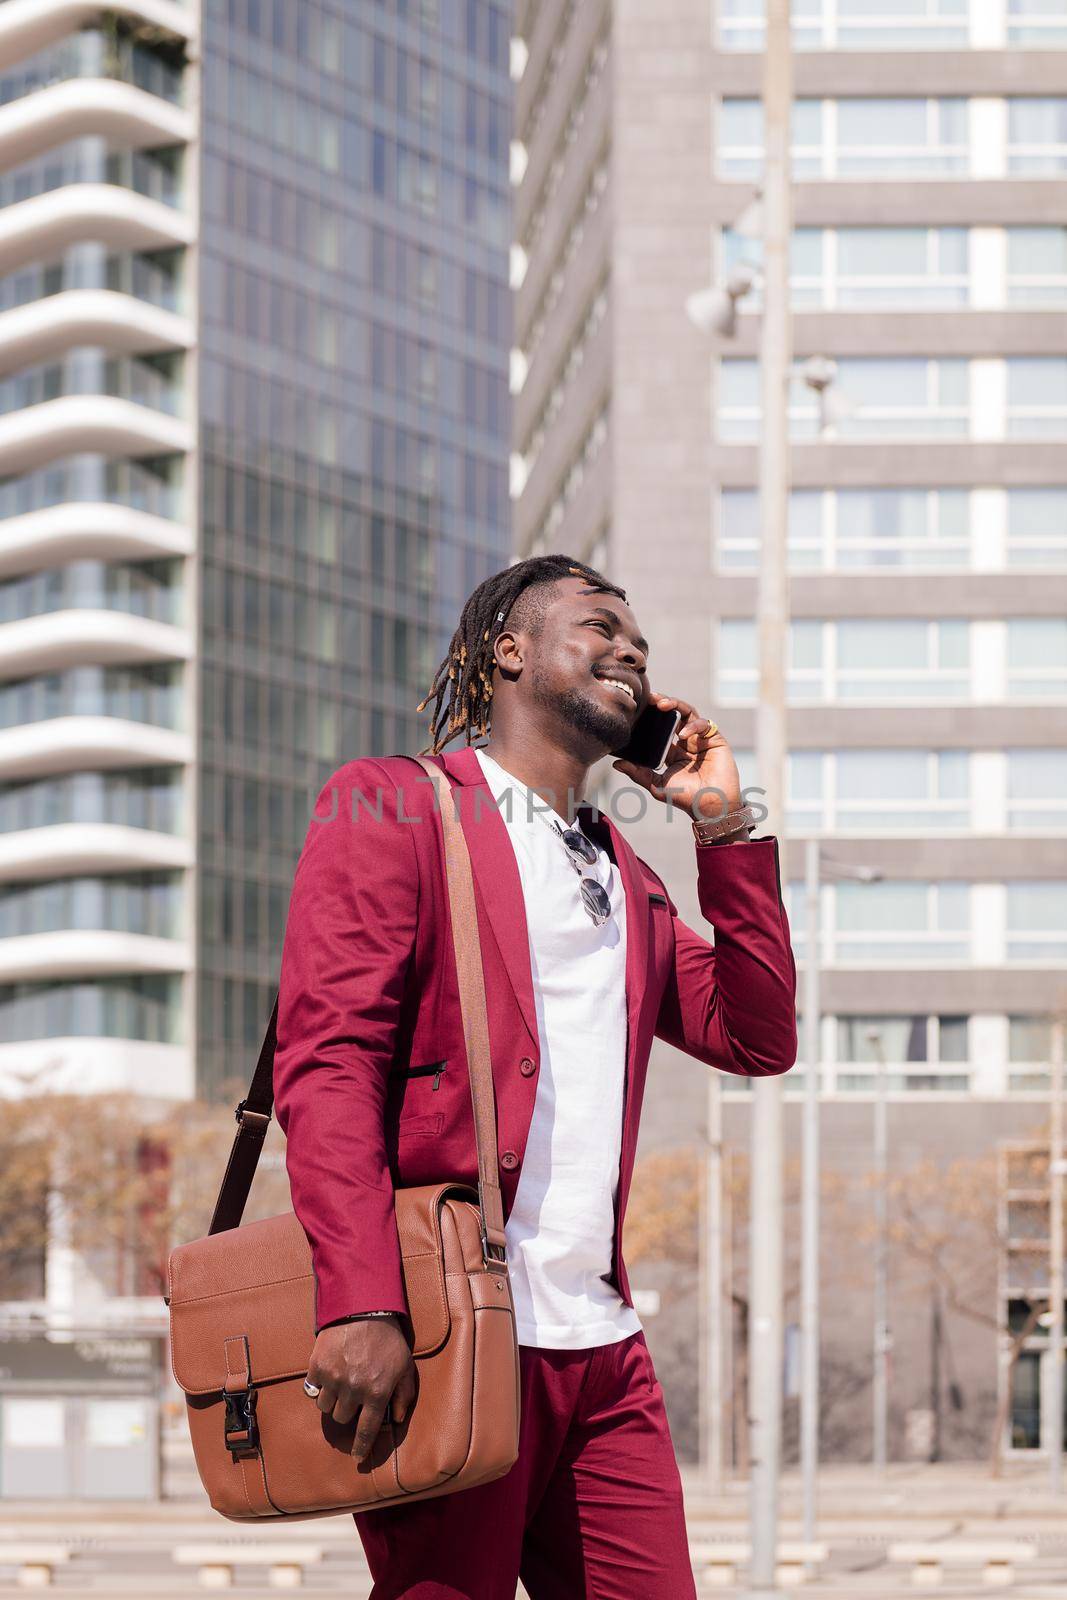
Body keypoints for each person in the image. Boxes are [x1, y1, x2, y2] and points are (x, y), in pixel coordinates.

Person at [273, 554, 797, 1599]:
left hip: (601, 1348)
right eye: (597, 625)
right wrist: (358, 1302)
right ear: (508, 651)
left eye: (638, 639)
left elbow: (756, 1033)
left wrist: (721, 824)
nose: (630, 648)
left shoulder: (625, 874)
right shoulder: (392, 806)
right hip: (449, 1326)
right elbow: (329, 1064)